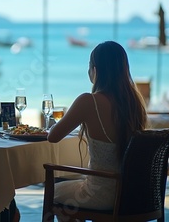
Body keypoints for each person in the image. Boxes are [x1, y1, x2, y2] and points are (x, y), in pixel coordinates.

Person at [47, 41, 147, 213]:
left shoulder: (88, 101)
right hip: (133, 193)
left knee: (54, 191)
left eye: (89, 66)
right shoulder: (134, 102)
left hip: (100, 194)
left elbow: (53, 136)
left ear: (96, 70)